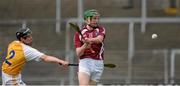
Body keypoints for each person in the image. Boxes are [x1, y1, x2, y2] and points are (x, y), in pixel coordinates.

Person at [1, 28, 69, 85]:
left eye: (30, 36)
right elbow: (46, 58)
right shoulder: (27, 50)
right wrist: (61, 61)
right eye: (28, 37)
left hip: (5, 72)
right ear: (22, 39)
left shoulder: (13, 43)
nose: (31, 38)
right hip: (11, 78)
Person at [74, 9, 106, 85]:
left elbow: (99, 39)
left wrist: (89, 40)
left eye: (97, 18)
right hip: (85, 62)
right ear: (87, 20)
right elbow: (78, 53)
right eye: (94, 18)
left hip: (98, 63)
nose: (96, 21)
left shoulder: (100, 29)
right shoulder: (79, 33)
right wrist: (85, 45)